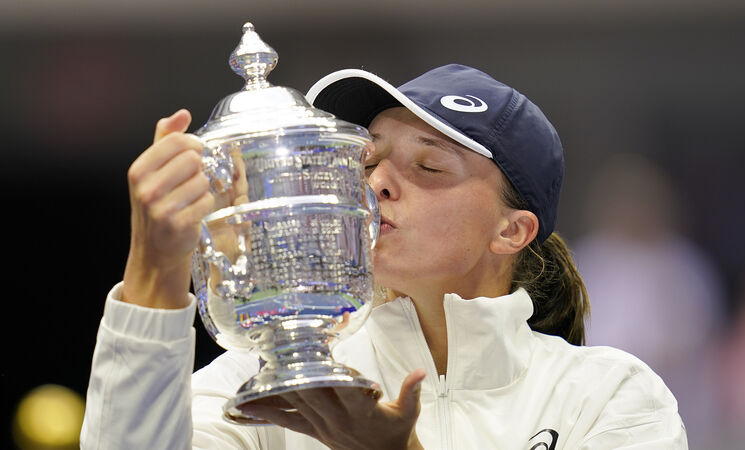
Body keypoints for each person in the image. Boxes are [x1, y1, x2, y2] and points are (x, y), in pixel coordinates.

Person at [80, 64, 688, 449]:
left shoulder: (607, 395)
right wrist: (154, 272)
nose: (376, 185)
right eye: (368, 160)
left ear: (511, 231)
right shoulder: (275, 382)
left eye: (428, 166)